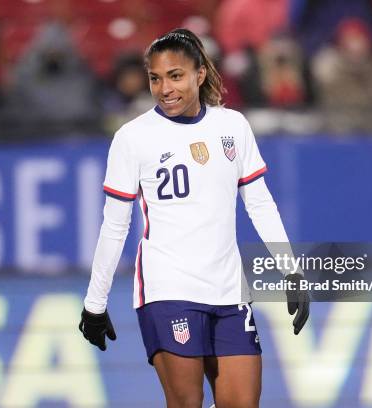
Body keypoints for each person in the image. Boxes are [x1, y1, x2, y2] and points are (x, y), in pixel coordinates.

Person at [79, 28, 309, 408]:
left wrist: (290, 271)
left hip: (230, 291)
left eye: (175, 76)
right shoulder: (133, 138)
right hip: (168, 290)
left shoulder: (232, 126)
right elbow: (115, 225)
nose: (165, 88)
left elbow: (259, 203)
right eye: (156, 78)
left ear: (199, 75)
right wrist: (95, 303)